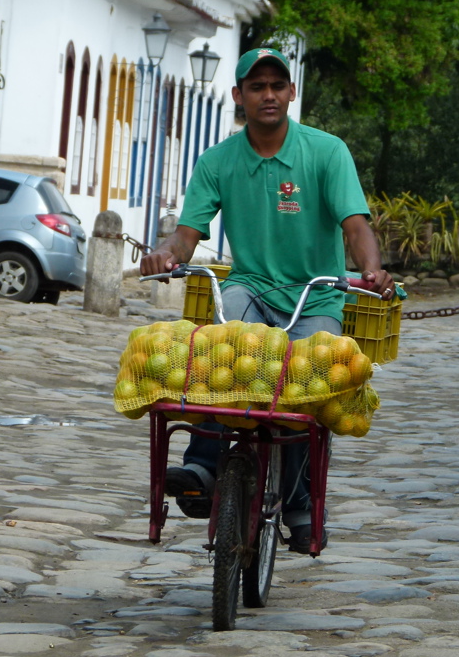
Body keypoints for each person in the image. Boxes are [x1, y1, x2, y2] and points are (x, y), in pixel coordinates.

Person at [139, 46, 393, 554]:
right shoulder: (217, 161)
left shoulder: (326, 152)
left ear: (291, 93)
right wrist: (164, 254)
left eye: (278, 85)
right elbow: (188, 235)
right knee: (217, 342)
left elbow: (355, 225)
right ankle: (204, 466)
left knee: (304, 387)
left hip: (316, 293)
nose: (269, 94)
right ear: (239, 96)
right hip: (251, 286)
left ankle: (298, 504)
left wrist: (369, 268)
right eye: (257, 87)